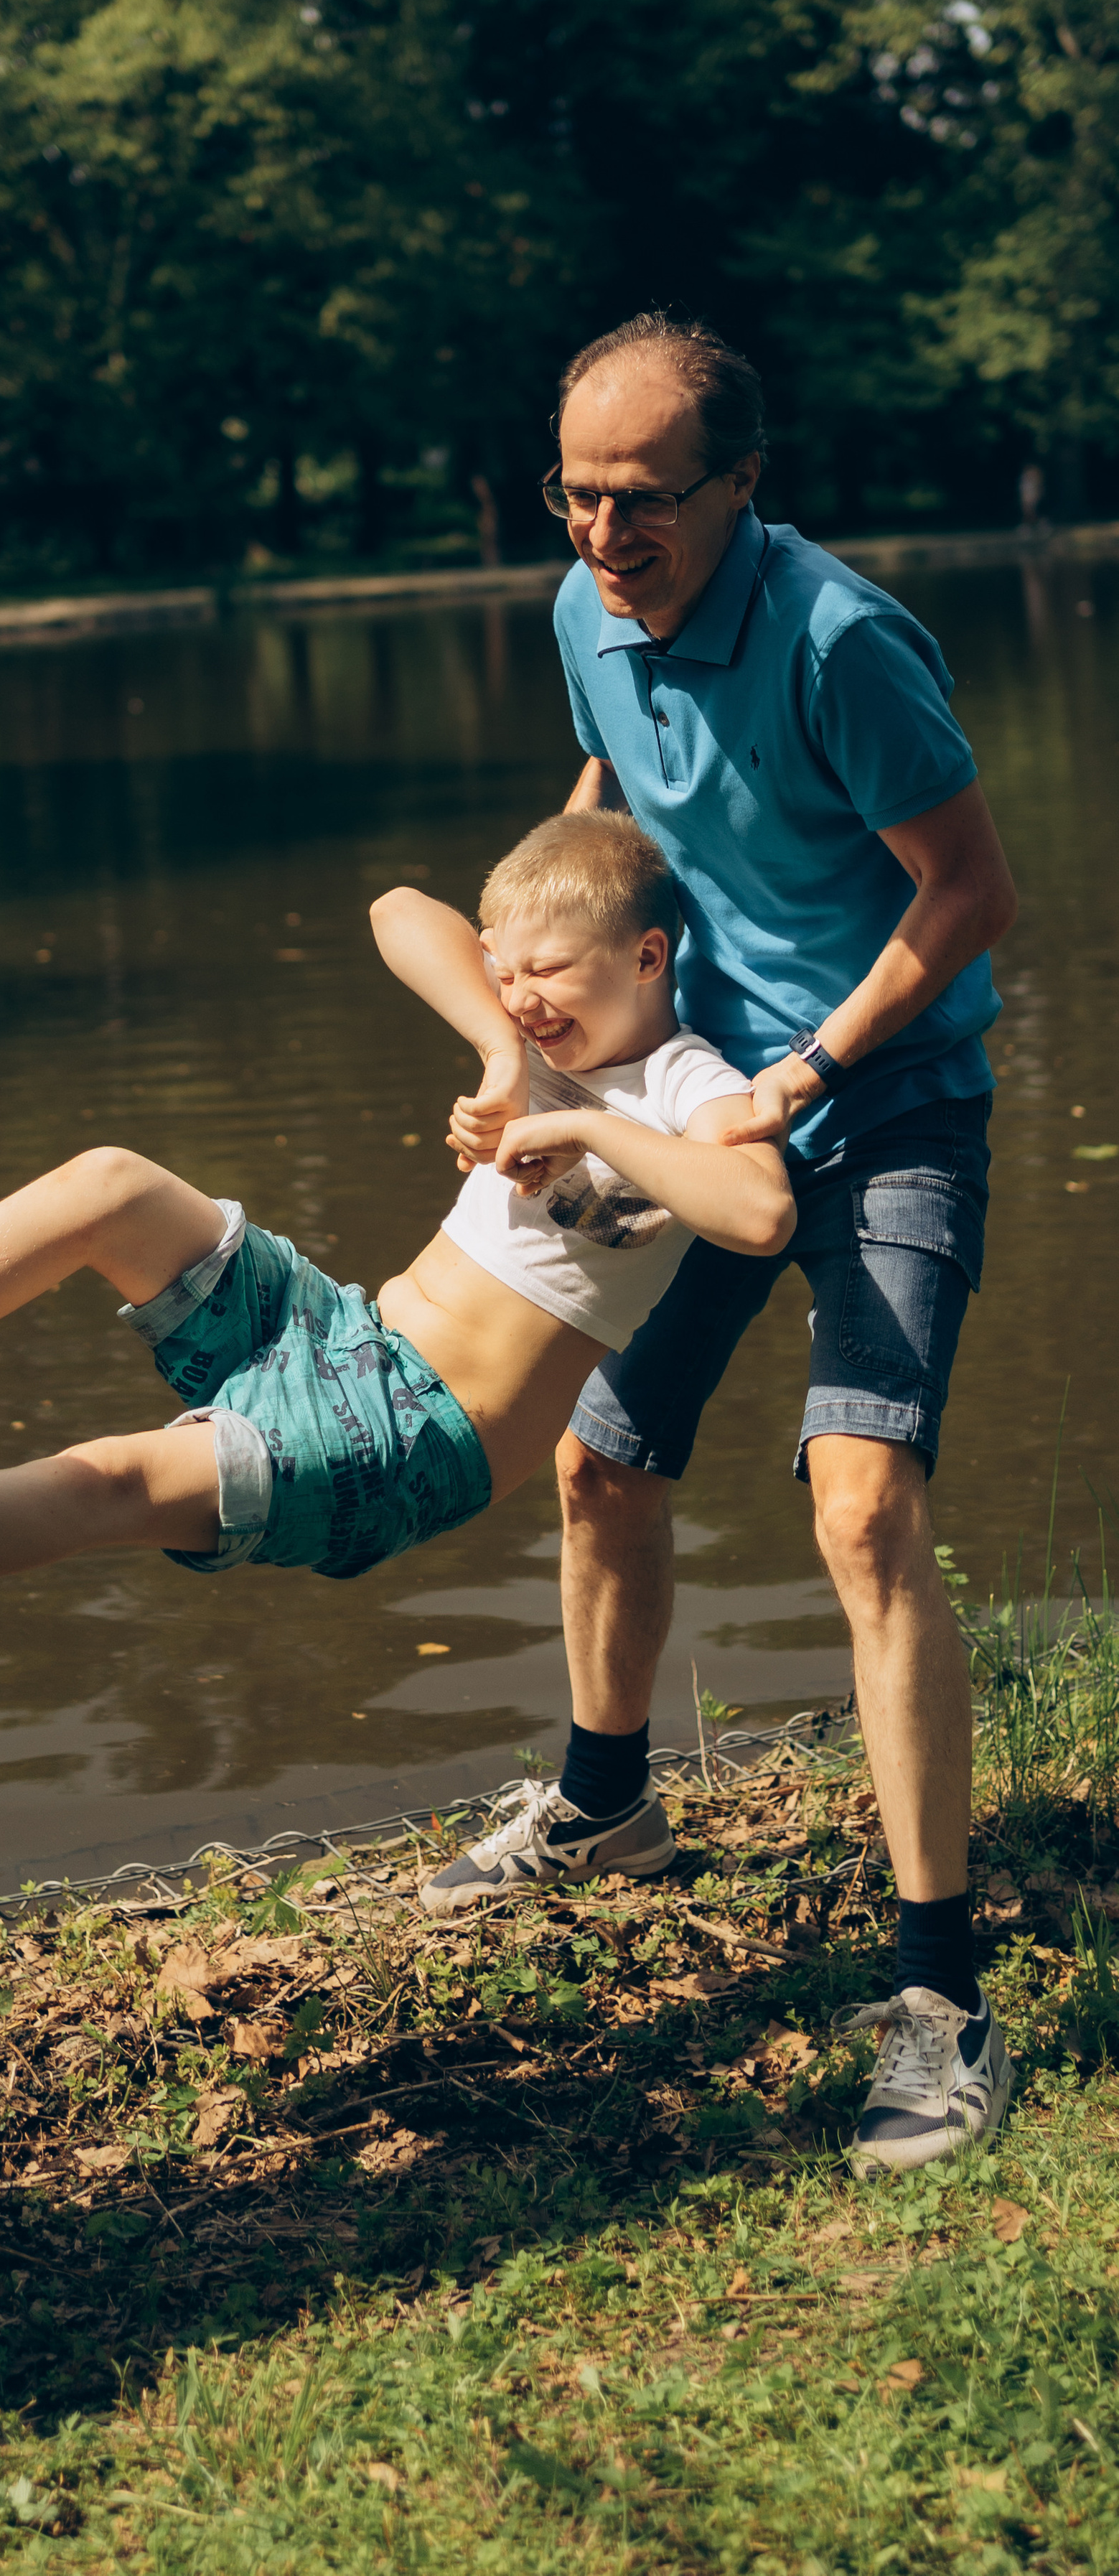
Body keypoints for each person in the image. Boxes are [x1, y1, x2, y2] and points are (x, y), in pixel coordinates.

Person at [416, 313, 1019, 2181]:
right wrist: (541, 1013)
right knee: (599, 1465)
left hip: (885, 1106)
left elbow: (969, 888)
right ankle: (605, 1809)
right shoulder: (582, 614)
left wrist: (808, 1069)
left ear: (741, 484)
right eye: (575, 495)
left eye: (645, 500)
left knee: (862, 1507)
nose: (606, 534)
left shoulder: (840, 644)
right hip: (688, 1102)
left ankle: (940, 1994)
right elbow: (603, 811)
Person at [0, 814, 793, 1613]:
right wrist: (497, 1052)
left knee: (111, 1484)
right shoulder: (525, 1037)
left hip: (415, 1439)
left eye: (550, 975)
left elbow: (757, 1211)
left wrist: (588, 1132)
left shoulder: (681, 1083)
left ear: (647, 959)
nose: (524, 1000)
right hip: (340, 1330)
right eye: (507, 971)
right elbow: (396, 909)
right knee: (111, 1184)